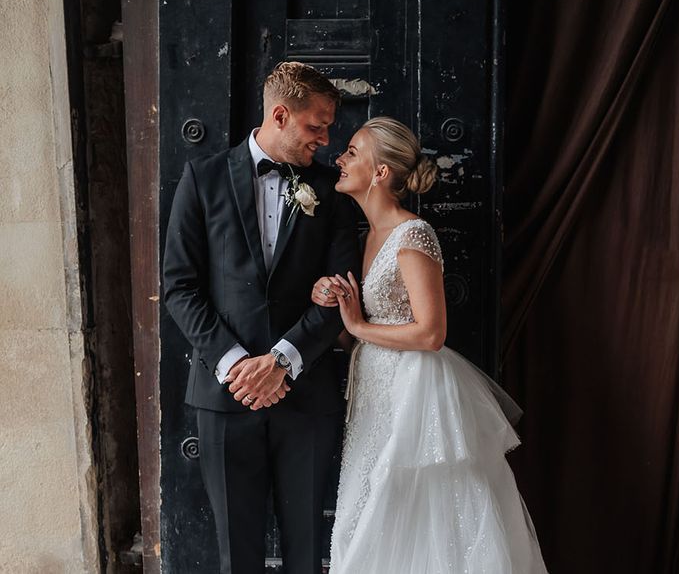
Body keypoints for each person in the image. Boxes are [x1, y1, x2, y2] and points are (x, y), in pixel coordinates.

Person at [312, 117, 548, 573]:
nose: (339, 158)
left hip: (414, 395)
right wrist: (333, 303)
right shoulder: (368, 237)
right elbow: (362, 328)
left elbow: (430, 333)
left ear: (381, 173)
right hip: (374, 393)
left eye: (353, 152)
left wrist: (358, 327)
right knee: (365, 519)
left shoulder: (413, 235)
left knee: (416, 517)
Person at [163, 61, 361, 574]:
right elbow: (179, 288)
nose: (326, 137)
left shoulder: (331, 190)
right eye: (316, 125)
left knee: (306, 553)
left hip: (307, 395)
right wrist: (237, 366)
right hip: (225, 399)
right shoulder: (202, 179)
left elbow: (341, 292)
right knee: (238, 555)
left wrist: (282, 360)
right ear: (280, 115)